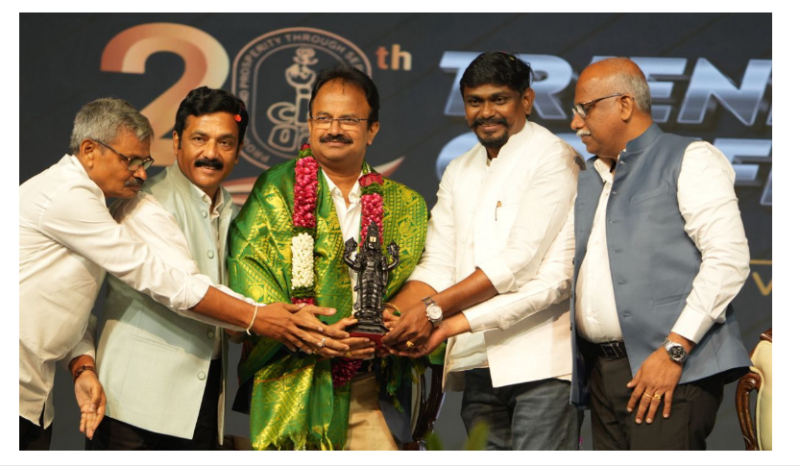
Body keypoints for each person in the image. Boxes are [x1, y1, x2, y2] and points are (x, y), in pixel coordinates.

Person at [19, 98, 342, 450]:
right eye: (131, 160)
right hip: (120, 406)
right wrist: (258, 317)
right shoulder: (73, 196)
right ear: (89, 150)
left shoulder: (228, 211)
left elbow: (70, 308)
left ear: (239, 150)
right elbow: (165, 280)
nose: (141, 173)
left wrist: (82, 366)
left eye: (144, 162)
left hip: (36, 396)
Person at [382, 51, 582, 450]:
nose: (486, 112)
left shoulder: (554, 157)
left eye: (499, 100)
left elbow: (519, 262)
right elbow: (439, 261)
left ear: (527, 100)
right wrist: (393, 318)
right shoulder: (460, 168)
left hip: (539, 362)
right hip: (477, 360)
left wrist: (433, 311)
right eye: (475, 101)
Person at [228, 65, 429, 450]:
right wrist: (315, 336)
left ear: (372, 129)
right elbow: (248, 269)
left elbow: (423, 280)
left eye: (349, 119)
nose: (334, 129)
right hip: (292, 382)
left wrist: (388, 322)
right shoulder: (275, 189)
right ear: (309, 124)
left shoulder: (406, 205)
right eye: (323, 118)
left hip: (370, 388)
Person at [568, 57, 752, 450]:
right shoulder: (590, 176)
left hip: (673, 369)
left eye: (585, 108)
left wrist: (674, 350)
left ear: (624, 104)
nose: (575, 122)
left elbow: (728, 260)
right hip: (602, 373)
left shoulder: (690, 157)